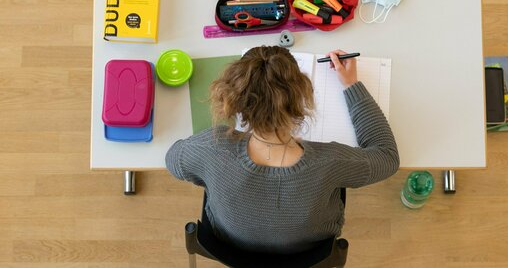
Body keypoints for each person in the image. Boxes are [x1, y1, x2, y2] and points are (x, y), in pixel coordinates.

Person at [166, 46, 398, 254]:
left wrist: (212, 175)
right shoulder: (330, 162)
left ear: (234, 101)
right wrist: (352, 85)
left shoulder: (212, 148)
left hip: (229, 243)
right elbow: (387, 157)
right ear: (301, 100)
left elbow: (173, 159)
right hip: (309, 249)